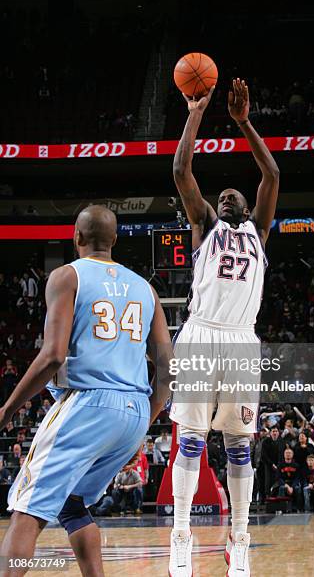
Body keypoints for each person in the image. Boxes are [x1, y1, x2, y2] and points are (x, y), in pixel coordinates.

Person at [0, 205, 172, 577]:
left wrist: (7, 410)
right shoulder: (146, 289)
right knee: (73, 505)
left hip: (89, 402)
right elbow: (168, 370)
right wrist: (145, 422)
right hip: (135, 410)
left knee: (26, 509)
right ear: (114, 241)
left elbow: (53, 355)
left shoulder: (67, 276)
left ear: (77, 237)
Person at [168, 78, 279, 576]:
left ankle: (239, 537)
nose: (229, 196)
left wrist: (243, 123)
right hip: (201, 329)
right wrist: (197, 111)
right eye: (223, 195)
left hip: (241, 340)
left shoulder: (258, 230)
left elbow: (272, 175)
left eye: (236, 194)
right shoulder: (205, 225)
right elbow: (180, 169)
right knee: (190, 436)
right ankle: (182, 533)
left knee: (238, 443)